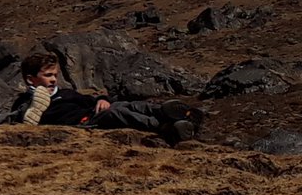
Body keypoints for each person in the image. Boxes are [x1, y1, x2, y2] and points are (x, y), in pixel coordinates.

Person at [10, 52, 204, 144]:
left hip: (95, 111)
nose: (53, 80)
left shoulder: (66, 94)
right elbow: (24, 120)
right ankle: (162, 127)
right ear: (31, 79)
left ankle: (173, 114)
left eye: (55, 75)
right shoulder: (24, 103)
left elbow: (92, 101)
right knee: (116, 113)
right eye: (48, 76)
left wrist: (102, 99)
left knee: (125, 104)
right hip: (84, 123)